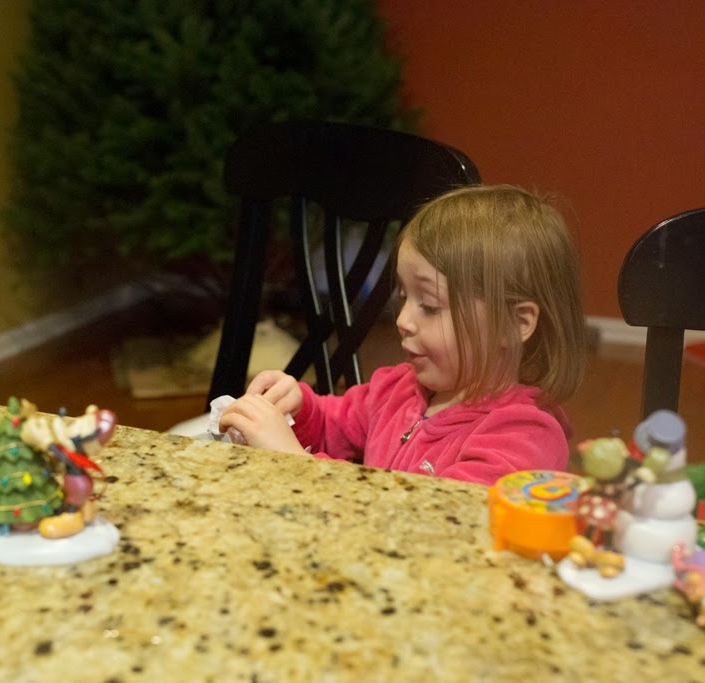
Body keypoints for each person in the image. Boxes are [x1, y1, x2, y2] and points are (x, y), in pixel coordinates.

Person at [218, 184, 588, 486]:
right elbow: (334, 424)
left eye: (429, 305)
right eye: (403, 297)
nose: (403, 320)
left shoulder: (524, 436)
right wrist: (298, 407)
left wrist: (296, 462)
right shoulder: (397, 389)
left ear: (516, 323)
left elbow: (430, 523)